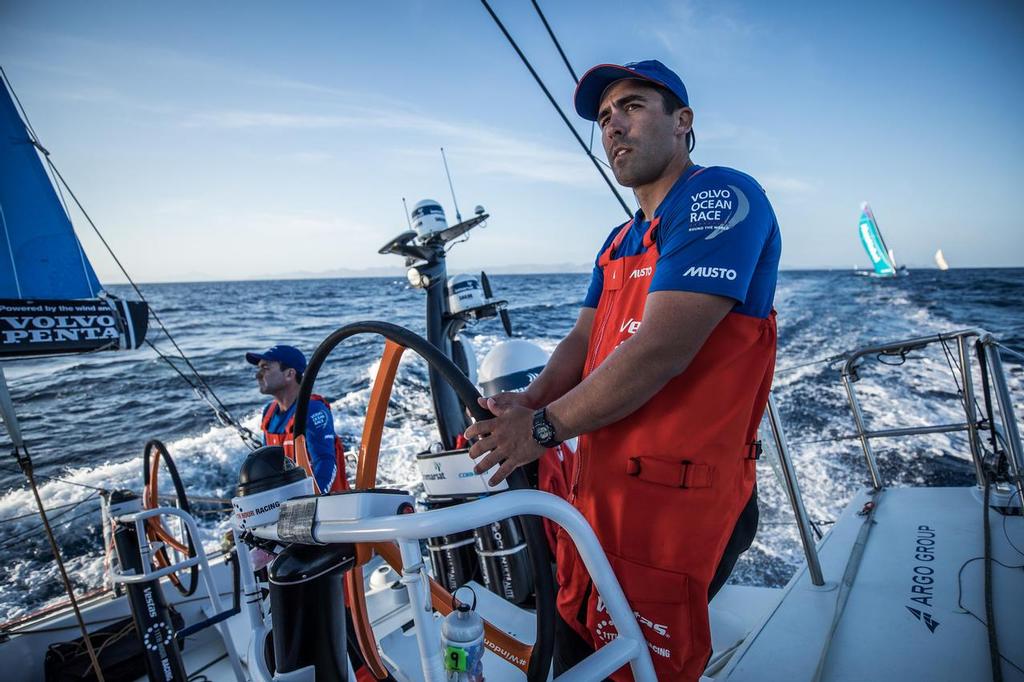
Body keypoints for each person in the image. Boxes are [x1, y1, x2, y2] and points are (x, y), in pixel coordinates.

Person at [465, 59, 780, 681]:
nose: (613, 127)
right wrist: (524, 403)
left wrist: (543, 429)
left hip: (684, 504)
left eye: (632, 106)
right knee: (584, 641)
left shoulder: (721, 196)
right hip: (604, 492)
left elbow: (663, 346)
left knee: (643, 664)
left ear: (683, 122)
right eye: (605, 118)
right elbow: (583, 341)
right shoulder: (618, 240)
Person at [246, 344, 348, 494]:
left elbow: (325, 461)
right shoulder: (269, 413)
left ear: (289, 374)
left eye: (265, 368)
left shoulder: (313, 409)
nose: (258, 375)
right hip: (289, 504)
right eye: (259, 369)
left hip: (329, 507)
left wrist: (313, 500)